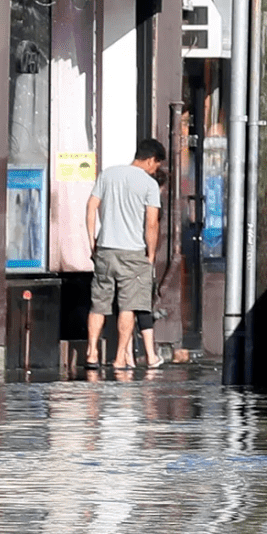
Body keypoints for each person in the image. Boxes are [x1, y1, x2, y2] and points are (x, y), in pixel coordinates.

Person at [84, 138, 165, 371]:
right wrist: (150, 255)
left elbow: (91, 206)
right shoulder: (149, 185)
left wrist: (92, 242)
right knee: (128, 306)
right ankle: (120, 358)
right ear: (151, 160)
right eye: (156, 165)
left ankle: (92, 353)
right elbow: (152, 224)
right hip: (133, 253)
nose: (155, 169)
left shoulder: (108, 174)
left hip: (105, 250)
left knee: (98, 304)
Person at [124, 166, 170, 369]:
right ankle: (150, 355)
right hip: (141, 255)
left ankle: (126, 355)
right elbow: (151, 226)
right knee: (142, 305)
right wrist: (150, 257)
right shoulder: (151, 201)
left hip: (123, 253)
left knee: (125, 305)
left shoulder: (130, 199)